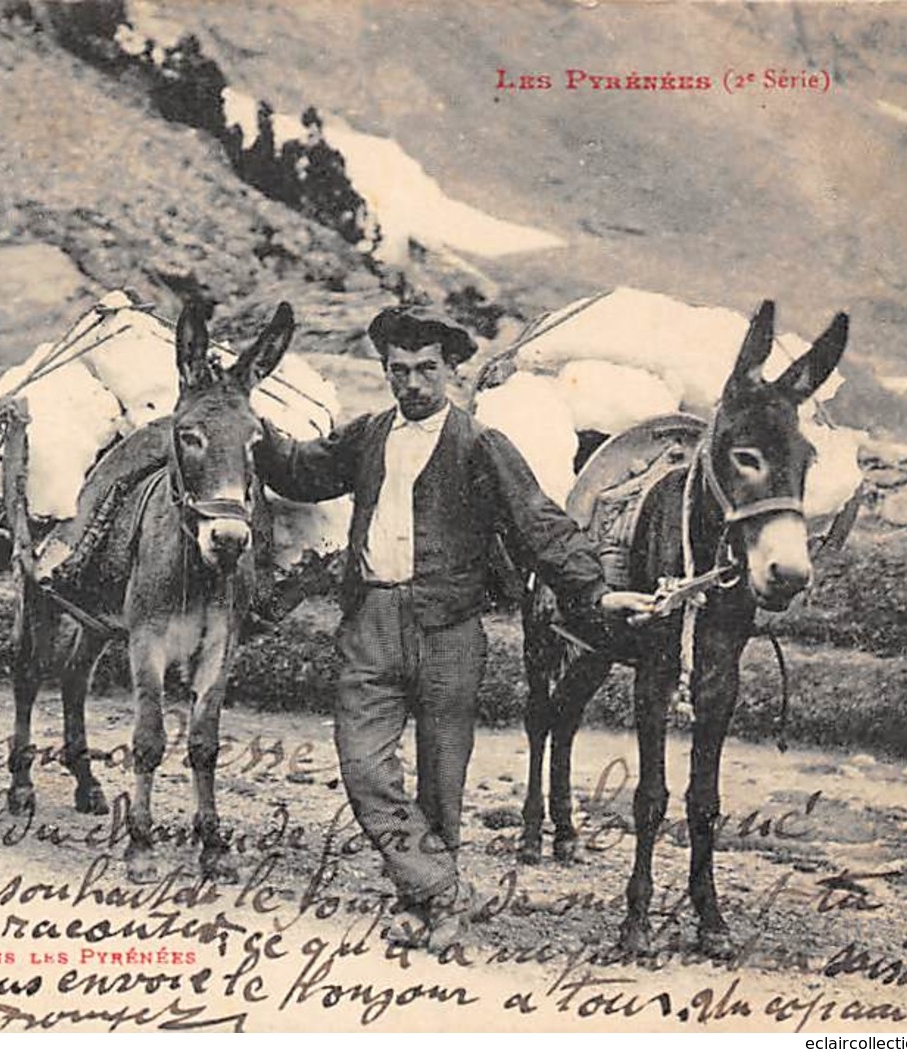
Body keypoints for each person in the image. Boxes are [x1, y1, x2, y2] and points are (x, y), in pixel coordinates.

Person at [256, 305, 655, 948]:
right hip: (371, 623)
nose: (411, 383)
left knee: (443, 778)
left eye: (425, 370)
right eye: (398, 370)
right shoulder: (368, 435)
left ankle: (424, 907)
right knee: (362, 767)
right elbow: (302, 472)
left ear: (450, 371)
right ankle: (444, 888)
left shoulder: (480, 445)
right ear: (385, 371)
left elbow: (539, 526)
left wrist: (598, 593)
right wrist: (252, 430)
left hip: (449, 632)